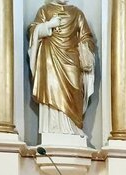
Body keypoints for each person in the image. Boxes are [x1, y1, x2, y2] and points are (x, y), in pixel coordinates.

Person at [28, 0, 95, 137]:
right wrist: (48, 25)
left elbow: (86, 36)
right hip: (50, 57)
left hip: (72, 59)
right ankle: (53, 128)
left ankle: (73, 127)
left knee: (75, 88)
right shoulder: (45, 10)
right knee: (51, 88)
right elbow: (33, 31)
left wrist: (85, 47)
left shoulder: (77, 13)